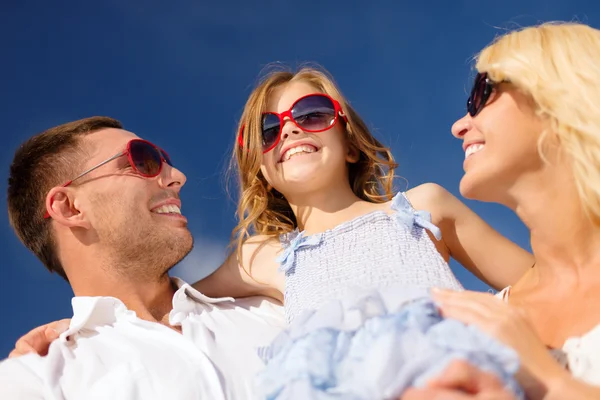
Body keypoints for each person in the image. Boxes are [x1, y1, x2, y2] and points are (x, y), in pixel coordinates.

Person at [7, 69, 535, 397]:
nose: (290, 131)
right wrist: (80, 323)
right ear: (259, 165)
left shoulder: (422, 208)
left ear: (350, 140)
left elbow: (542, 283)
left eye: (311, 114)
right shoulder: (263, 260)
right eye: (268, 129)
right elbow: (160, 301)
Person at [0, 117, 287, 399]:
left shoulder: (276, 304)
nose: (177, 177)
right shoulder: (39, 381)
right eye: (142, 160)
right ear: (70, 207)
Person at [412, 22, 600, 399]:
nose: (459, 126)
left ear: (561, 97)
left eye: (482, 93)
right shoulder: (481, 321)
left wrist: (550, 381)